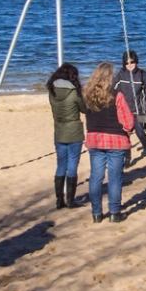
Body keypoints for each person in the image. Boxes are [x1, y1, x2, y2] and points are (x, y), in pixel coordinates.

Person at [81, 61, 136, 222]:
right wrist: (128, 129)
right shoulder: (117, 95)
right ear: (110, 77)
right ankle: (114, 212)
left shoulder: (87, 94)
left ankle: (96, 213)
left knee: (96, 177)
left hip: (95, 138)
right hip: (115, 140)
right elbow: (128, 121)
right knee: (115, 178)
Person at [47, 62, 85, 210]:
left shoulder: (52, 91)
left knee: (61, 164)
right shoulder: (74, 92)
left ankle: (59, 200)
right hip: (74, 131)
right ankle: (70, 200)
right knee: (72, 165)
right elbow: (84, 109)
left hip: (59, 131)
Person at [115, 50, 146, 161]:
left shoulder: (142, 74)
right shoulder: (120, 74)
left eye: (132, 62)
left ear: (136, 61)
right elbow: (113, 91)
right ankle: (127, 157)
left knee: (141, 133)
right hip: (124, 111)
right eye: (127, 63)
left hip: (139, 110)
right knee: (125, 135)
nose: (130, 65)